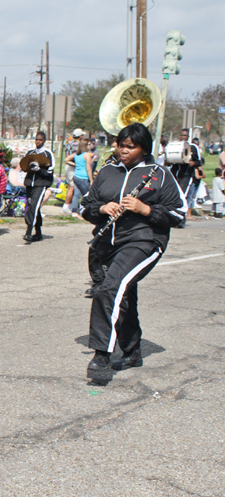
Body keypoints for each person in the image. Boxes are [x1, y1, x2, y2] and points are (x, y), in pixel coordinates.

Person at [81, 123, 185, 381]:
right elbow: (85, 206)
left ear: (144, 149)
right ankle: (132, 351)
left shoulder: (159, 174)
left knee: (109, 289)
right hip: (108, 245)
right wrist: (102, 208)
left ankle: (101, 355)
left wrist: (145, 209)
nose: (123, 151)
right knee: (123, 295)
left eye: (130, 147)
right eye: (121, 145)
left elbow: (179, 213)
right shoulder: (108, 171)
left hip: (144, 242)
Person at [86, 140, 120, 299]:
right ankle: (98, 282)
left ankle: (110, 283)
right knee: (96, 248)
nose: (115, 146)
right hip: (106, 211)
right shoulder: (109, 163)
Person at [22, 131, 55, 242]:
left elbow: (50, 172)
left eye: (40, 140)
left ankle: (28, 231)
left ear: (44, 140)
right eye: (36, 139)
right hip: (29, 183)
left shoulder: (48, 154)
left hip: (41, 184)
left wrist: (40, 170)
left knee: (34, 206)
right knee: (33, 207)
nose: (38, 141)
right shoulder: (30, 152)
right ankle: (38, 233)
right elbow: (24, 166)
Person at [169, 128, 201, 227]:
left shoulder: (192, 147)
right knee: (173, 195)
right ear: (179, 136)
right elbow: (169, 159)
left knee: (182, 196)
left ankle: (181, 220)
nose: (183, 137)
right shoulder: (175, 146)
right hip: (174, 174)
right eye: (182, 135)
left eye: (185, 136)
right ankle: (172, 218)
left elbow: (199, 162)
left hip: (186, 175)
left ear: (188, 137)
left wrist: (193, 163)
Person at [67, 138, 94, 218]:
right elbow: (88, 169)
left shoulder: (76, 154)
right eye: (89, 144)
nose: (90, 146)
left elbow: (66, 159)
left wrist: (74, 164)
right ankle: (87, 211)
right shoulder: (87, 155)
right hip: (83, 177)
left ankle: (74, 211)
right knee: (87, 195)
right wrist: (91, 180)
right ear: (85, 145)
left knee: (76, 195)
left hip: (76, 176)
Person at [61, 129, 84, 215]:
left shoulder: (69, 143)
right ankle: (66, 206)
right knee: (72, 187)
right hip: (72, 166)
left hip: (67, 166)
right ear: (80, 136)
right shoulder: (77, 145)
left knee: (69, 186)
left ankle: (69, 204)